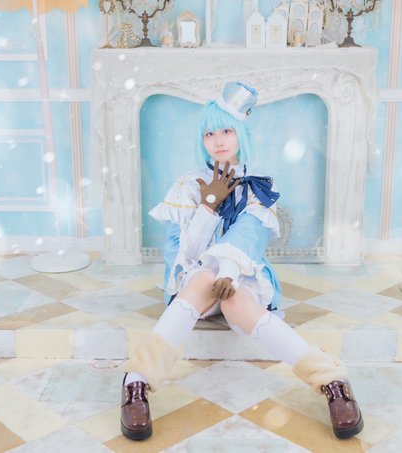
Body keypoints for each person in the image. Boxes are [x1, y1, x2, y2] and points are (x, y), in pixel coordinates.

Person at [120, 82, 364, 441]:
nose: (218, 141)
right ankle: (137, 381)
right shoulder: (188, 185)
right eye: (209, 133)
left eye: (226, 131)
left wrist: (230, 274)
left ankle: (332, 381)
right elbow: (184, 253)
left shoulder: (257, 186)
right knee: (203, 278)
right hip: (194, 283)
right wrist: (208, 206)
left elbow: (249, 238)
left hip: (242, 278)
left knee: (233, 298)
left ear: (240, 133)